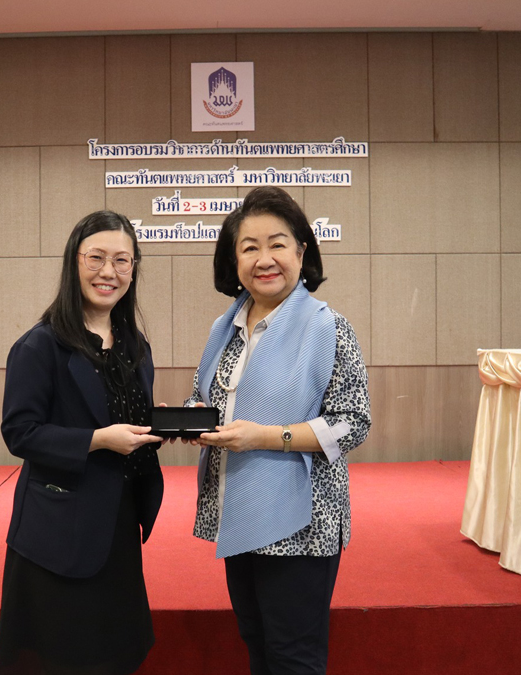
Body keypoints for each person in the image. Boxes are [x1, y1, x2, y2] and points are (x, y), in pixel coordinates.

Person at [184, 186, 371, 675]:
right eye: (249, 247)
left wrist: (266, 437)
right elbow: (212, 397)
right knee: (257, 641)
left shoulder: (328, 327)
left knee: (293, 655)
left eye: (277, 244)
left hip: (301, 523)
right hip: (239, 508)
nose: (264, 259)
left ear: (301, 252)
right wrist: (189, 417)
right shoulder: (225, 328)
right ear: (234, 260)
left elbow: (352, 422)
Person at [0, 210, 165, 675]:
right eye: (97, 258)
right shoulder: (40, 345)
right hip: (59, 531)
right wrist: (97, 440)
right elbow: (20, 432)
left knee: (114, 654)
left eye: (122, 261)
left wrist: (162, 428)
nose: (109, 271)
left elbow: (127, 418)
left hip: (119, 523)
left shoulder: (134, 345)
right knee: (64, 658)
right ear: (74, 262)